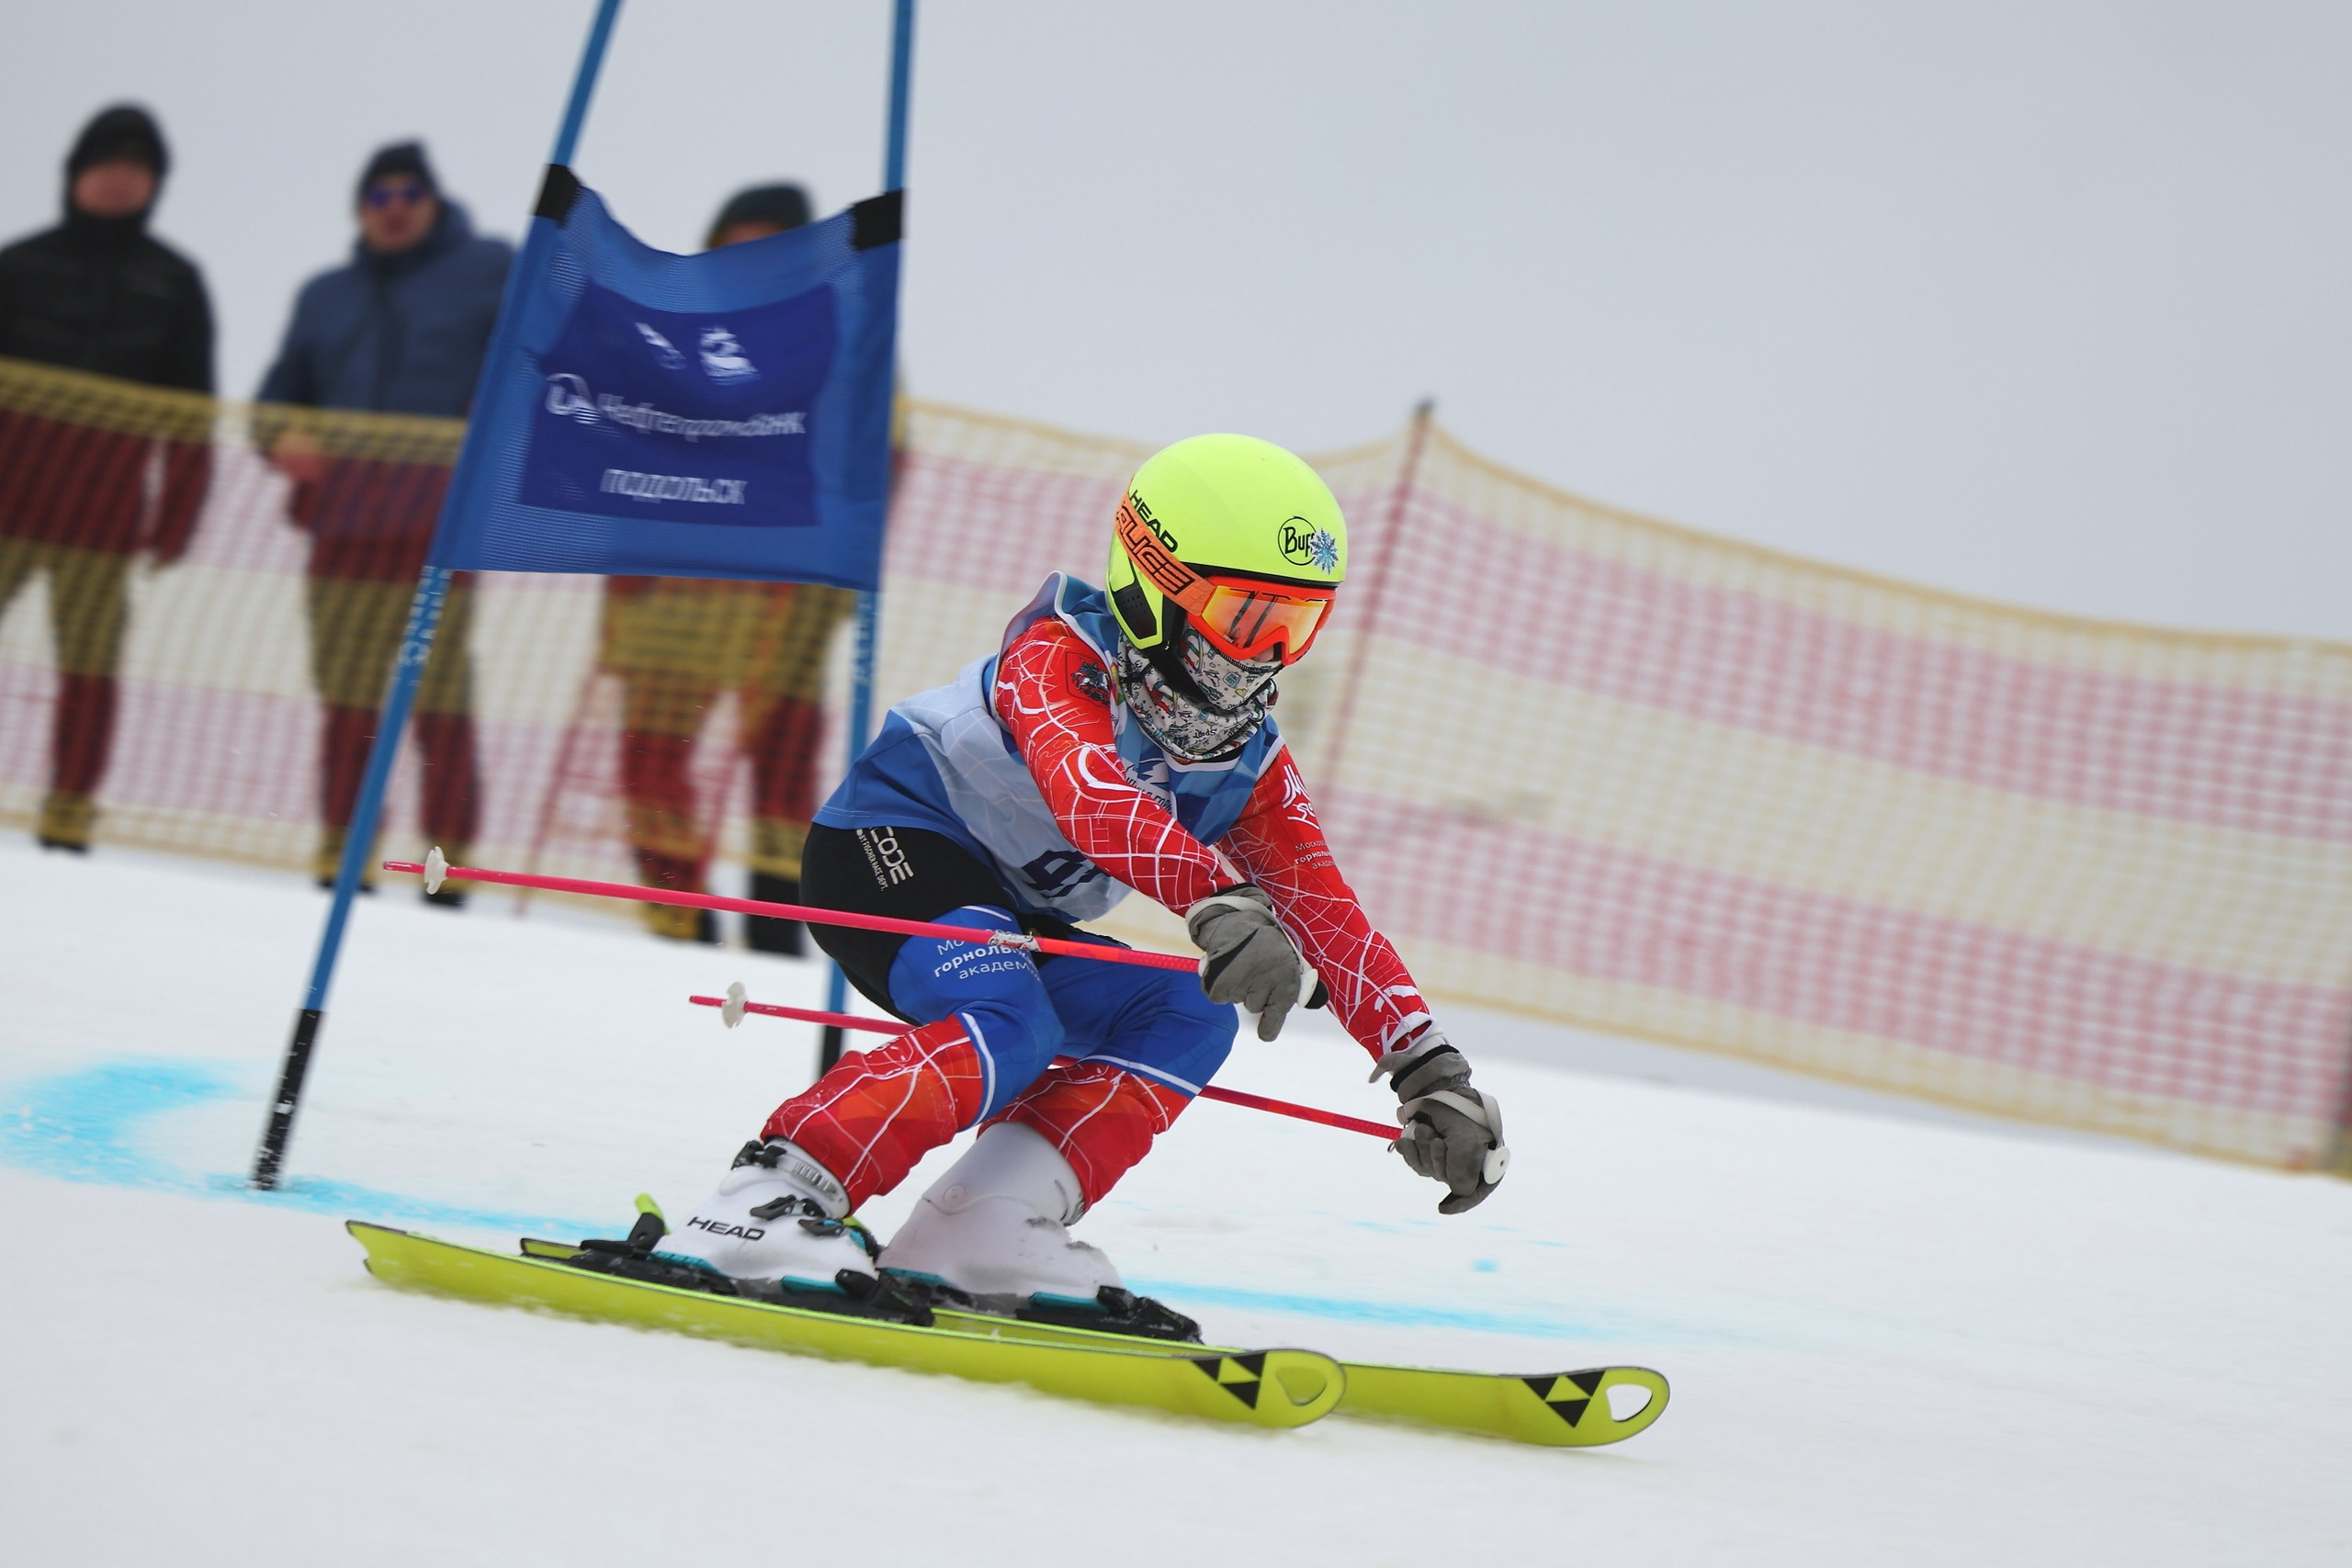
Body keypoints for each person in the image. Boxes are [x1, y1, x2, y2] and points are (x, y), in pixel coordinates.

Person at [643, 434, 1510, 1325]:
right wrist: (1215, 900)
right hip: (889, 852)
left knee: (1180, 1010)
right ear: (1151, 582)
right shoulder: (1058, 659)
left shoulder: (1246, 760)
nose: (1260, 656)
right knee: (1008, 1019)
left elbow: (1325, 911)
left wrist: (1425, 1067)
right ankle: (766, 1200)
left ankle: (981, 1228)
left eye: (1292, 626)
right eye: (1242, 616)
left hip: (1007, 916)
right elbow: (1096, 798)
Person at [598, 184, 855, 952]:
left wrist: (827, 583)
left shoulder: (839, 341)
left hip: (787, 594)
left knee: (780, 775)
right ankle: (679, 921)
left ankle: (774, 936)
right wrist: (627, 572)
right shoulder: (667, 333)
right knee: (650, 765)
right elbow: (631, 447)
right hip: (679, 590)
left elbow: (867, 468)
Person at [256, 142, 509, 902]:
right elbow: (277, 396)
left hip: (439, 532)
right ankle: (345, 857)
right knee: (348, 702)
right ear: (360, 209)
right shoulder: (325, 295)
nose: (393, 206)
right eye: (377, 196)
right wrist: (279, 438)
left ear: (431, 199)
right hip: (341, 531)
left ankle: (449, 870)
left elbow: (542, 355)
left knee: (440, 701)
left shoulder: (490, 269)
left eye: (408, 192)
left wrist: (492, 419)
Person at [0, 105, 213, 852]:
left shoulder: (175, 282)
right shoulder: (17, 265)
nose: (120, 180)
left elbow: (192, 413)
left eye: (138, 169)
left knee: (90, 669)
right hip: (7, 502)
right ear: (76, 174)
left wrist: (179, 513)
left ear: (154, 185)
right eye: (107, 165)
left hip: (103, 513)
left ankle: (68, 813)